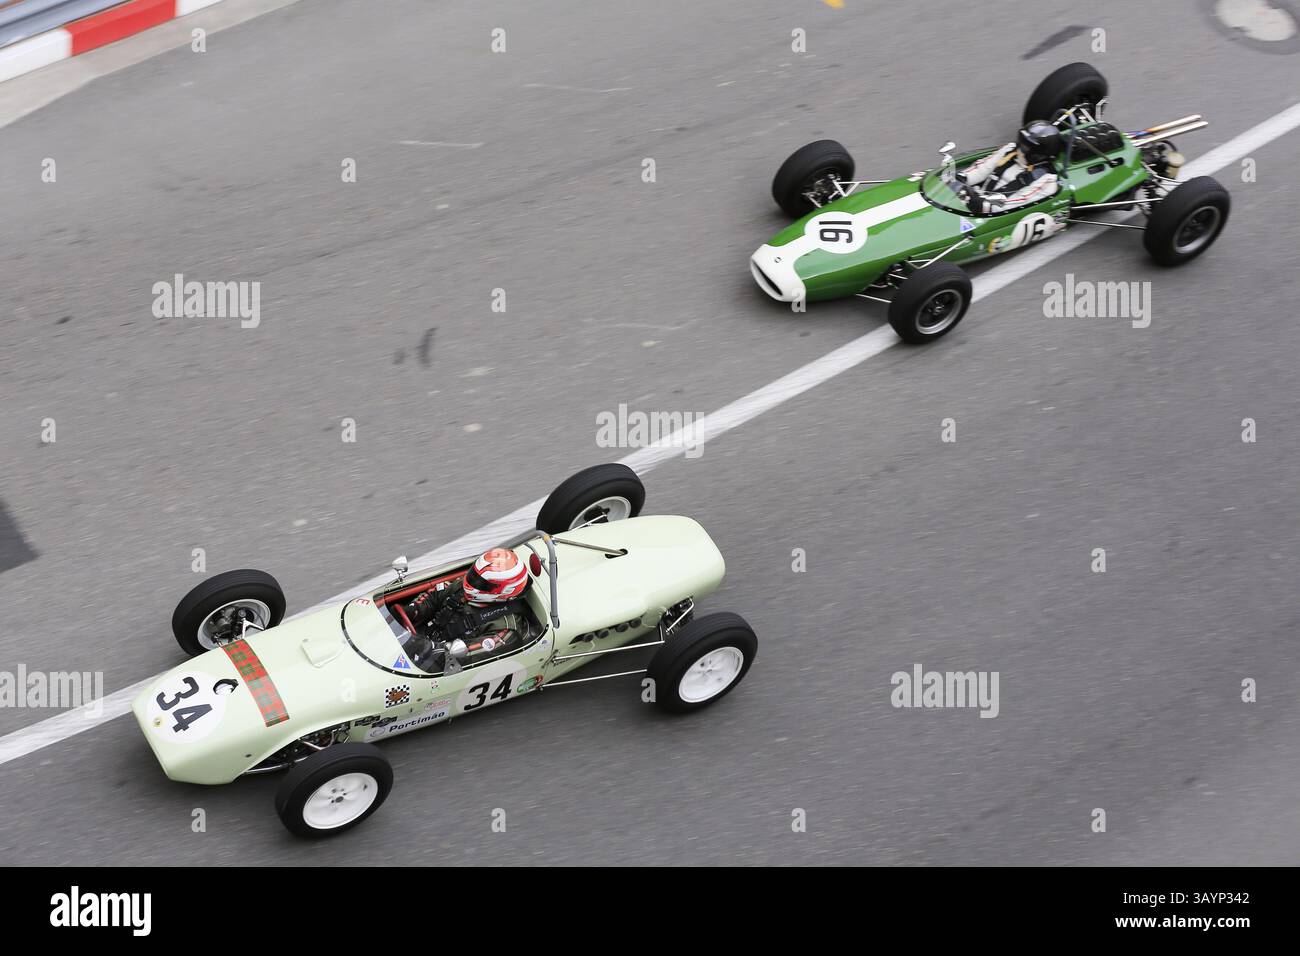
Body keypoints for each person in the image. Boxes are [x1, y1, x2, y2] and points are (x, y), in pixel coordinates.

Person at [399, 548, 532, 671]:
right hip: (420, 640)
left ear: (505, 591)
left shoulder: (506, 631)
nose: (472, 581)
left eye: (482, 583)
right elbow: (435, 595)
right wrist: (415, 609)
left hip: (443, 666)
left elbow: (464, 655)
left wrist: (431, 648)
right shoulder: (462, 587)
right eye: (474, 574)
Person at [958, 119, 1062, 215]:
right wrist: (963, 178)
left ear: (1039, 153)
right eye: (1021, 141)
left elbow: (1017, 203)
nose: (1020, 147)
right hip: (973, 198)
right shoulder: (1011, 149)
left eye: (1025, 146)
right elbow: (983, 168)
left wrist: (984, 205)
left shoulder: (1047, 181)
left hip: (994, 215)